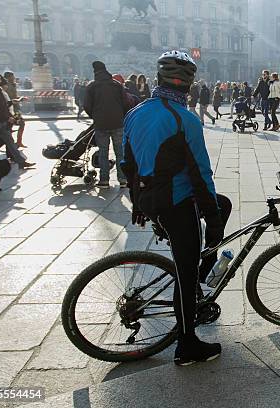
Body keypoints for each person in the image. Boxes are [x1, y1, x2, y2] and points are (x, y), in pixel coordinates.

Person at [121, 50, 232, 366]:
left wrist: (138, 204)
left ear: (157, 79)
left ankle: (199, 273)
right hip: (176, 204)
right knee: (185, 274)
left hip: (151, 200)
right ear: (189, 86)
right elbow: (201, 174)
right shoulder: (185, 120)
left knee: (224, 204)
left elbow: (127, 164)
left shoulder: (136, 112)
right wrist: (214, 224)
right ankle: (187, 345)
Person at [83, 61, 127, 189]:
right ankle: (123, 179)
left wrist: (95, 116)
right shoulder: (117, 85)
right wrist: (119, 114)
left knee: (103, 152)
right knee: (120, 152)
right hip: (118, 123)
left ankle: (104, 181)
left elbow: (86, 106)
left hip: (101, 124)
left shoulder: (92, 86)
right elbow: (125, 102)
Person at [3, 71, 26, 148]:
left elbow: (14, 96)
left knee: (18, 124)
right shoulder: (7, 87)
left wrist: (20, 98)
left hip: (15, 109)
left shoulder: (13, 85)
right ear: (8, 78)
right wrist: (19, 99)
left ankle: (17, 142)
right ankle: (16, 143)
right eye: (12, 77)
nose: (14, 78)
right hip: (11, 109)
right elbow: (9, 98)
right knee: (19, 124)